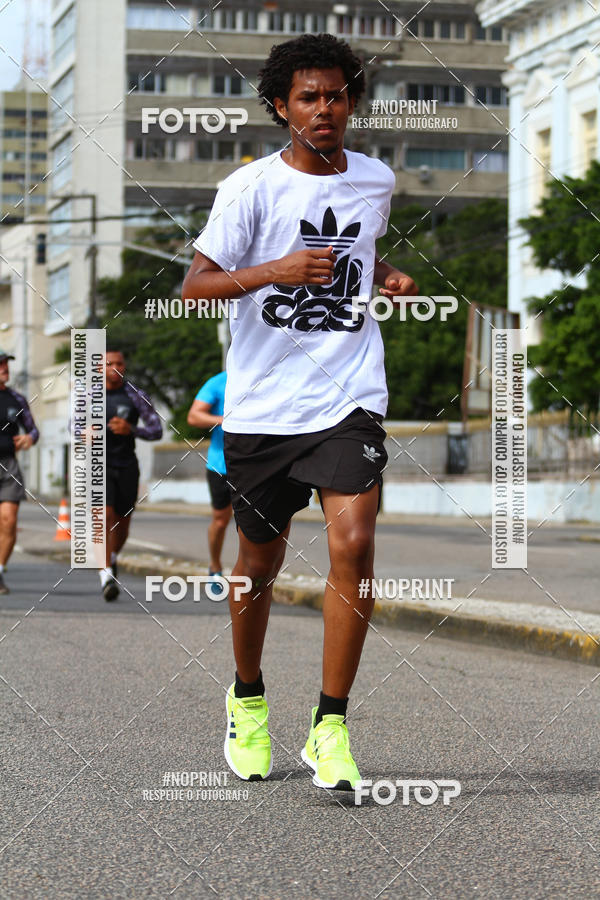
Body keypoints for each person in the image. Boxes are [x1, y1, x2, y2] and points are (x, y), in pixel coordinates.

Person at [182, 34, 418, 791]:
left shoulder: (375, 179)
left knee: (355, 541)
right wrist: (275, 271)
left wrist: (384, 274)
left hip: (348, 394)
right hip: (263, 406)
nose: (325, 108)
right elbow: (196, 286)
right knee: (259, 564)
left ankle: (331, 725)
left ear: (353, 102)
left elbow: (358, 250)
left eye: (336, 95)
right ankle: (248, 697)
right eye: (308, 97)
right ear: (281, 108)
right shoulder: (249, 188)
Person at [100, 348, 162, 601]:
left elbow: (156, 430)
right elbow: (74, 426)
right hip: (99, 464)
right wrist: (85, 432)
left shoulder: (136, 395)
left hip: (126, 464)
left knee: (122, 523)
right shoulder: (88, 395)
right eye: (108, 363)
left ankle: (112, 558)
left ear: (124, 366)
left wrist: (131, 429)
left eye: (119, 363)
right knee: (104, 516)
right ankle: (106, 576)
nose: (114, 368)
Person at [0, 350, 39, 594]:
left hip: (9, 465)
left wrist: (29, 438)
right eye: (0, 364)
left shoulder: (17, 399)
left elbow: (33, 430)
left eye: (6, 364)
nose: (5, 368)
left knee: (9, 520)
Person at [187, 371, 232, 577]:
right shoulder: (218, 382)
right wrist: (224, 420)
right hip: (220, 465)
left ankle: (250, 572)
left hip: (256, 466)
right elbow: (193, 416)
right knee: (221, 521)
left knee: (251, 524)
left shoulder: (268, 377)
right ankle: (215, 566)